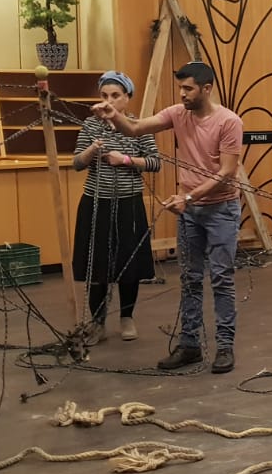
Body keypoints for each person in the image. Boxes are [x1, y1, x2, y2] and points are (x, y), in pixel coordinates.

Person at [94, 61, 243, 374]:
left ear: (207, 89)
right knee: (190, 279)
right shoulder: (177, 113)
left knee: (221, 278)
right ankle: (190, 346)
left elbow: (227, 172)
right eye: (180, 88)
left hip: (221, 210)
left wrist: (188, 197)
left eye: (188, 88)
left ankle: (225, 347)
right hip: (190, 211)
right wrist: (113, 115)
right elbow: (135, 129)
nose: (182, 94)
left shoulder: (229, 122)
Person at [71, 71, 161, 343]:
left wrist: (125, 160)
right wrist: (92, 150)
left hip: (128, 203)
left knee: (128, 264)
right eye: (104, 95)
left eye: (115, 95)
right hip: (95, 202)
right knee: (96, 265)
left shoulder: (138, 126)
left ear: (127, 98)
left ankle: (126, 318)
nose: (109, 100)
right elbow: (77, 163)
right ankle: (97, 322)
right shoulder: (90, 125)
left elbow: (155, 162)